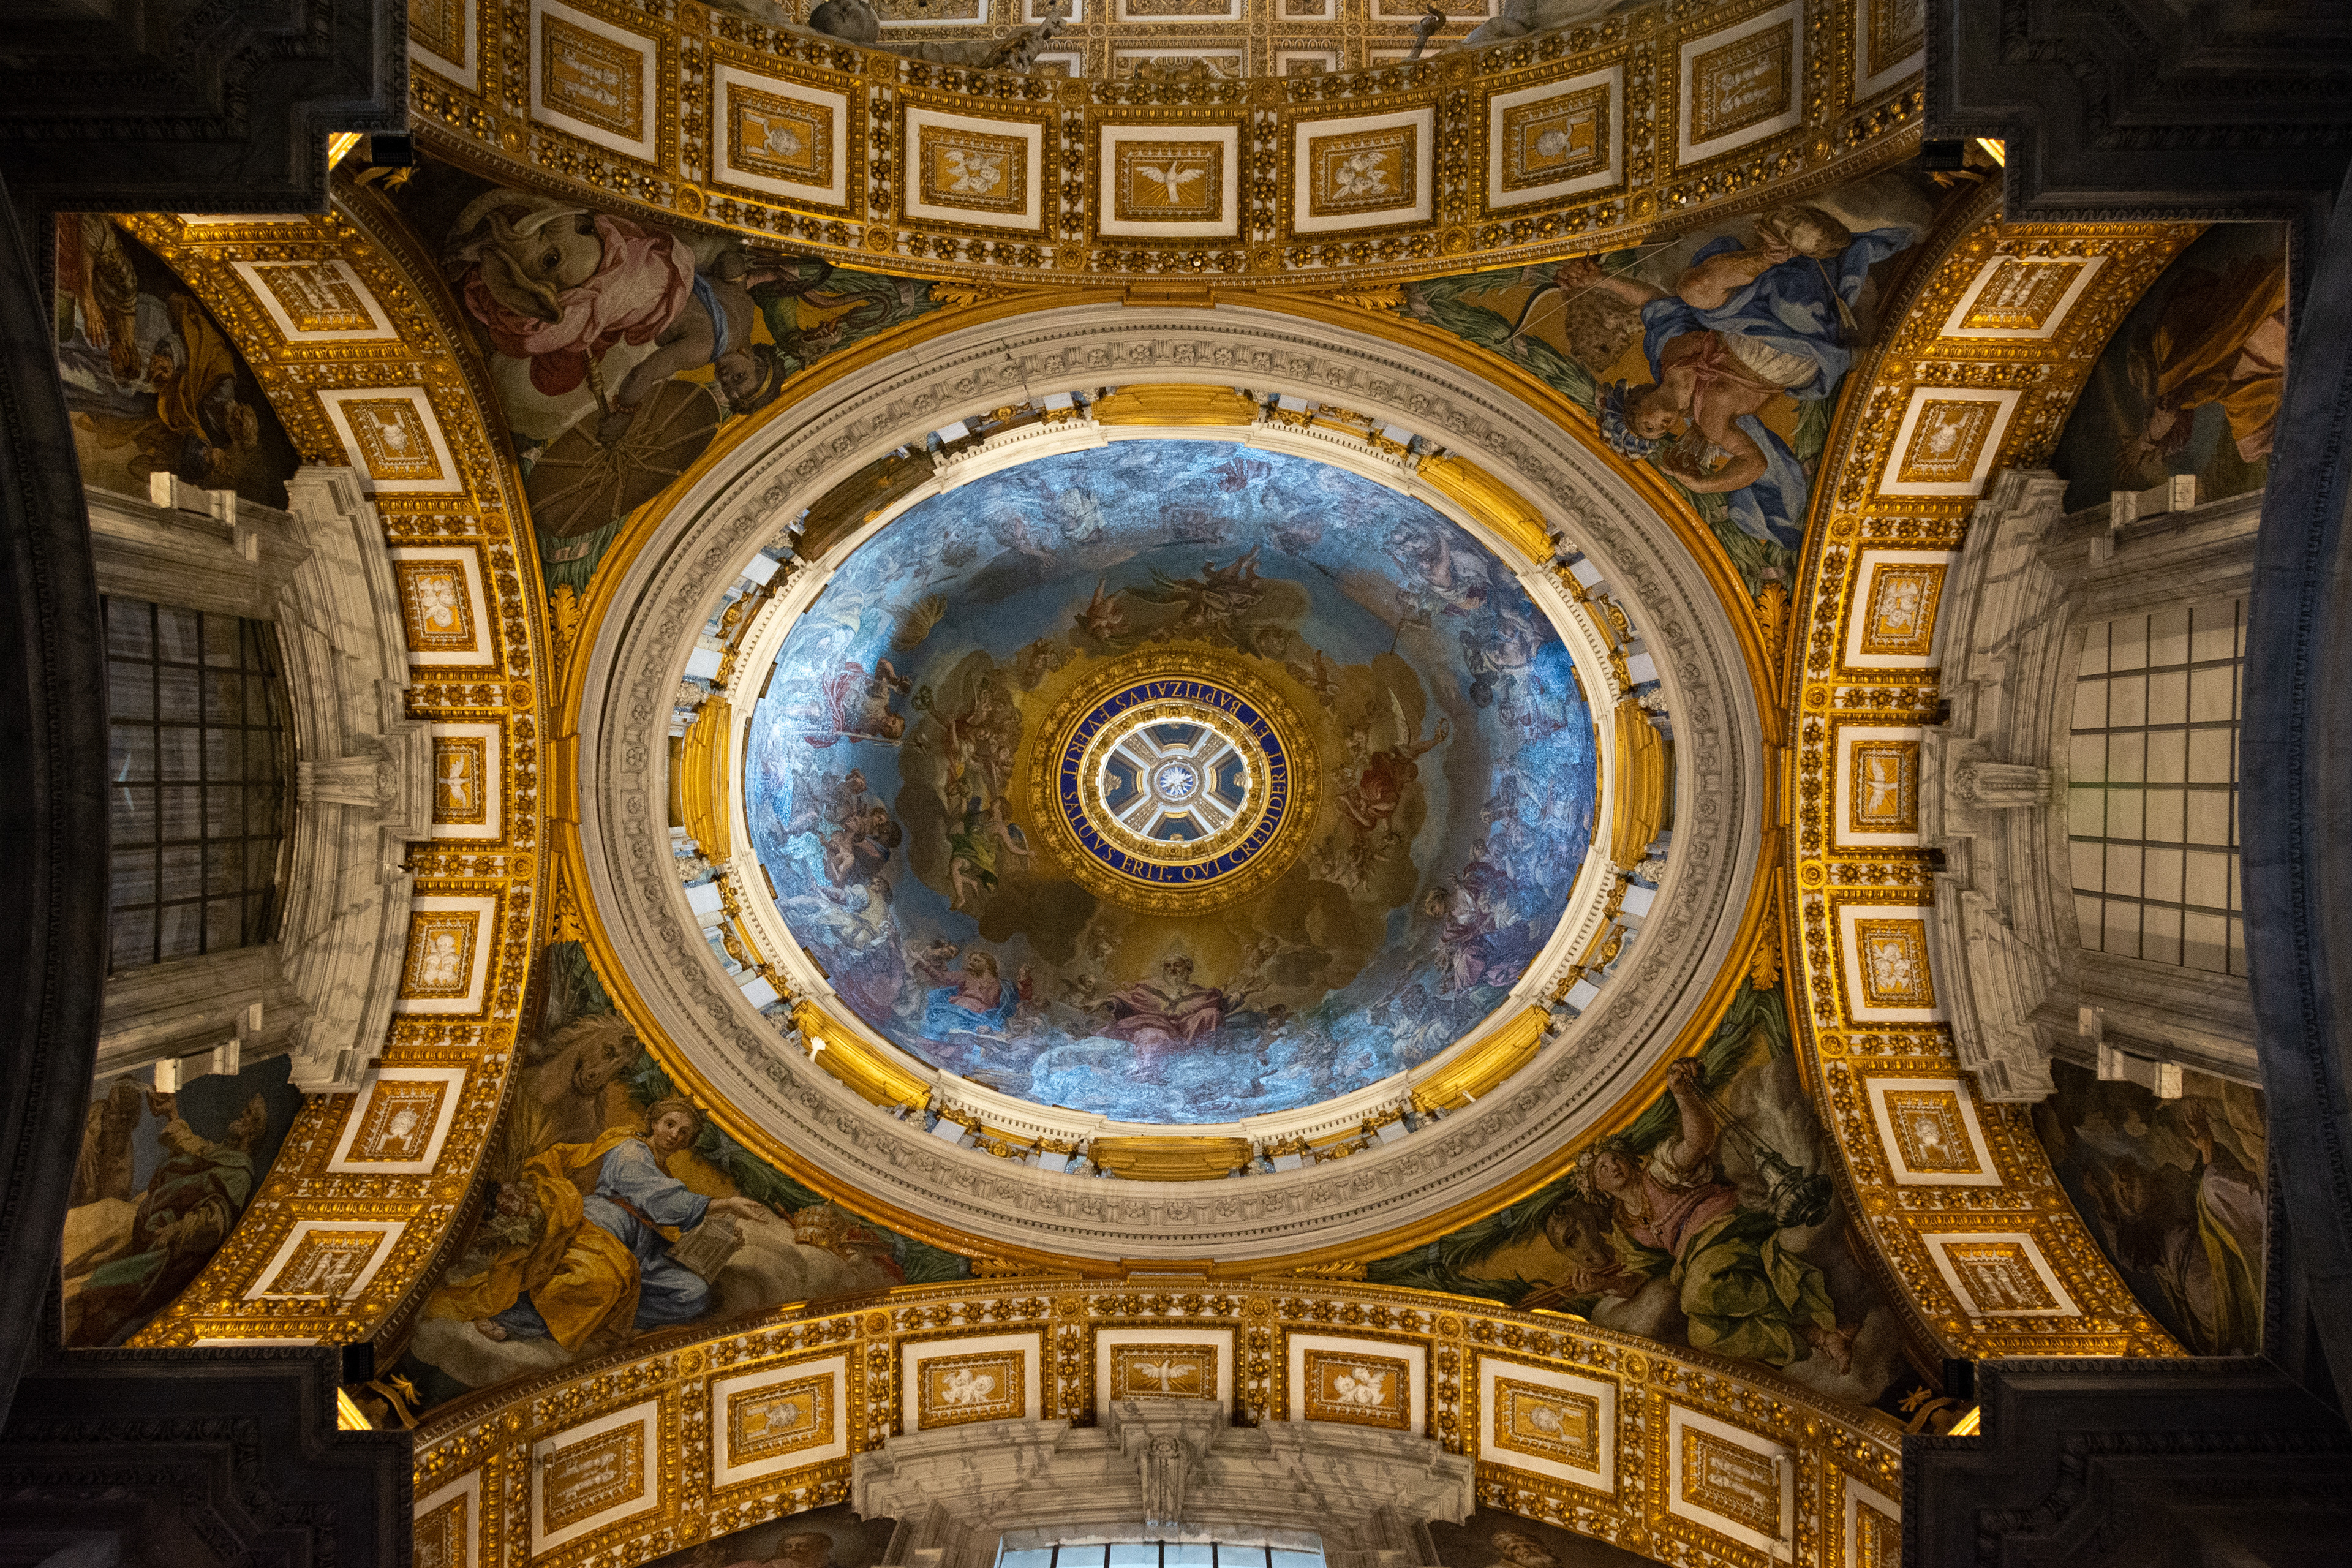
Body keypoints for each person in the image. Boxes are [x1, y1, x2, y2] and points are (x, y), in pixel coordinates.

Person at [1528, 1060, 1856, 1373]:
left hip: (1726, 1230)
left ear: (1628, 1159)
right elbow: (1639, 1283)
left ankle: (1819, 1326)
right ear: (1598, 1189)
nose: (1612, 1166)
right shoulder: (1625, 1229)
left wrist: (1683, 1095)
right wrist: (1604, 1283)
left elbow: (1697, 1142)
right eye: (1603, 1168)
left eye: (1614, 1159)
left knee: (1699, 1292)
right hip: (1698, 1261)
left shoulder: (1659, 1171)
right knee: (1703, 1336)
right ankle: (1820, 1339)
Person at [429, 1098, 769, 1352]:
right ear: (654, 1122)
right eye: (670, 1124)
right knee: (599, 1279)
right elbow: (661, 1200)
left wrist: (720, 1237)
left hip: (639, 1254)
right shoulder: (630, 1149)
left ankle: (601, 1318)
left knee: (693, 1293)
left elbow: (667, 1224)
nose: (675, 1135)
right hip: (599, 1229)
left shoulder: (666, 1175)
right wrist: (724, 1204)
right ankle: (519, 1316)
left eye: (684, 1133)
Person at [72, 1090, 270, 1346]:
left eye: (249, 1114)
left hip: (155, 1234)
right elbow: (189, 1145)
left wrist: (174, 1231)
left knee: (101, 1235)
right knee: (101, 1221)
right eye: (245, 1110)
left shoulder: (238, 1173)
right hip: (145, 1214)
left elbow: (215, 1221)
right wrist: (171, 1112)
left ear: (254, 1131)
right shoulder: (222, 1154)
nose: (242, 1115)